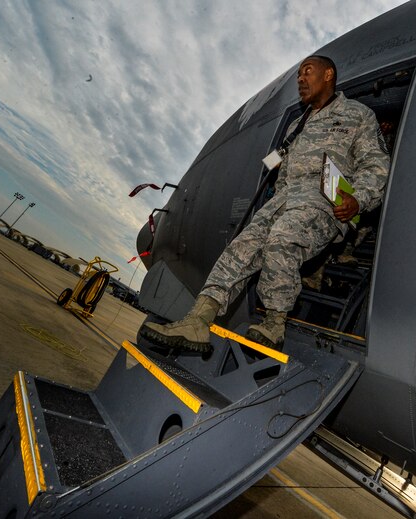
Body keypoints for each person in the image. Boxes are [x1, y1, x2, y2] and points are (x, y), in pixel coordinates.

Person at [140, 55, 389, 352]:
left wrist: (359, 201)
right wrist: (272, 171)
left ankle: (274, 323)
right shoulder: (297, 125)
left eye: (307, 71)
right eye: (298, 73)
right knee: (240, 249)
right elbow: (278, 171)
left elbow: (376, 166)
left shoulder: (357, 114)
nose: (300, 79)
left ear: (328, 75)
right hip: (284, 199)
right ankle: (199, 319)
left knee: (282, 240)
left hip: (323, 201)